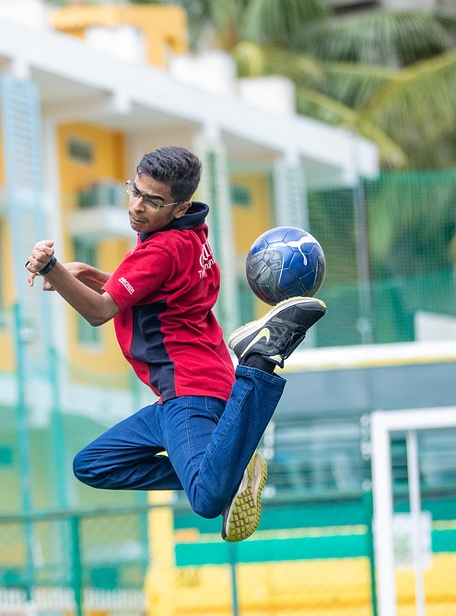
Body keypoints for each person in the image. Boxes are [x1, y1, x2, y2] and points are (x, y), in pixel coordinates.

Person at [24, 145, 325, 541]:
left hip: (190, 389)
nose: (137, 206)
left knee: (206, 499)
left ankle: (259, 362)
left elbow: (99, 311)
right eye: (135, 190)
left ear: (181, 207)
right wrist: (89, 273)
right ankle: (227, 467)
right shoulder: (190, 234)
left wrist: (51, 268)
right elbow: (149, 288)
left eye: (153, 201)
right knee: (93, 465)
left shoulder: (161, 248)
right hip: (179, 394)